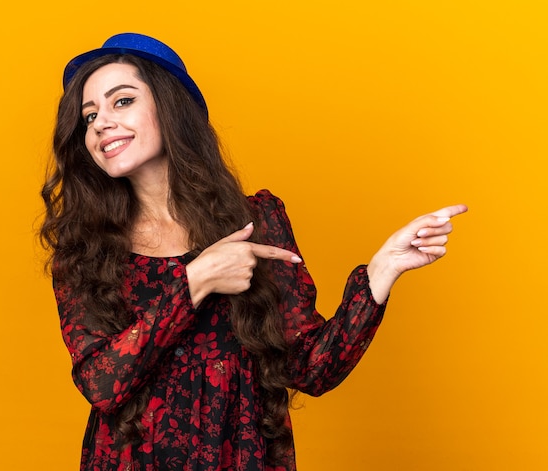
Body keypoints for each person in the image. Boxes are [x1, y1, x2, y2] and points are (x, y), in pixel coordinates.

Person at [40, 33, 467, 471]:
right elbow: (102, 385)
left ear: (170, 109)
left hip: (242, 456)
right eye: (89, 116)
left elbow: (310, 368)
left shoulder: (257, 219)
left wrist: (381, 271)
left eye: (122, 101)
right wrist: (196, 281)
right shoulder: (84, 251)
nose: (101, 123)